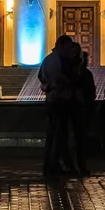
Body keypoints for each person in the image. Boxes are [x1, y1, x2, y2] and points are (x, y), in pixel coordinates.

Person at [39, 35, 77, 175]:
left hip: (51, 100)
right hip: (59, 101)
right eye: (68, 46)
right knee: (58, 134)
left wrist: (48, 87)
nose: (70, 49)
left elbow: (41, 78)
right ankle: (53, 166)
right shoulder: (59, 60)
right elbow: (66, 79)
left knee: (53, 135)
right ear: (61, 45)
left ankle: (49, 165)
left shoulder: (47, 59)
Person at [71, 47, 96, 175]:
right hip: (81, 108)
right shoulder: (84, 74)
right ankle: (80, 166)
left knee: (77, 138)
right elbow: (91, 92)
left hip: (76, 107)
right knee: (80, 138)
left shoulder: (75, 74)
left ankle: (74, 165)